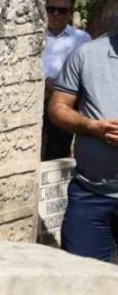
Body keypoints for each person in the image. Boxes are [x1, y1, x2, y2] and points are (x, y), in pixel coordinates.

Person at [48, 34, 118, 261]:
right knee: (81, 280)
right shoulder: (86, 54)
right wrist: (91, 126)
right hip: (90, 195)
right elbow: (58, 107)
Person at [41, 0, 89, 160]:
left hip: (63, 103)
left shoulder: (82, 39)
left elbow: (86, 74)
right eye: (51, 9)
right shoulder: (33, 35)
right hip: (31, 101)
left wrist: (60, 86)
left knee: (57, 152)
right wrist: (44, 82)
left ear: (70, 13)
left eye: (61, 11)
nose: (55, 14)